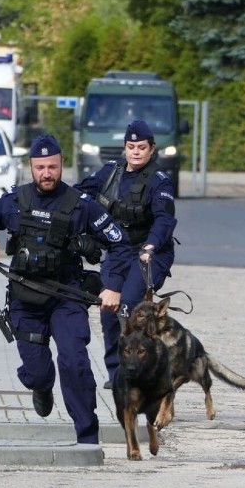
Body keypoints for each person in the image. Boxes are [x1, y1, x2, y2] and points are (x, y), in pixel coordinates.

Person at [0, 134, 133, 444]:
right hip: (25, 296)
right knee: (39, 372)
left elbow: (120, 243)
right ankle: (41, 386)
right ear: (30, 167)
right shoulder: (14, 200)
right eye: (41, 167)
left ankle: (87, 438)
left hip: (66, 296)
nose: (47, 173)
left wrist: (113, 286)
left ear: (62, 166)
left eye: (53, 167)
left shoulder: (80, 204)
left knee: (75, 361)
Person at [76, 120, 177, 389]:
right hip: (118, 251)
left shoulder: (160, 182)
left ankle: (142, 369)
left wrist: (151, 246)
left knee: (130, 305)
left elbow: (165, 221)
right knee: (109, 309)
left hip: (149, 253)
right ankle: (116, 373)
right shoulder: (110, 173)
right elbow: (79, 195)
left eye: (141, 147)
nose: (135, 152)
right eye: (131, 147)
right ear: (124, 148)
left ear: (152, 150)